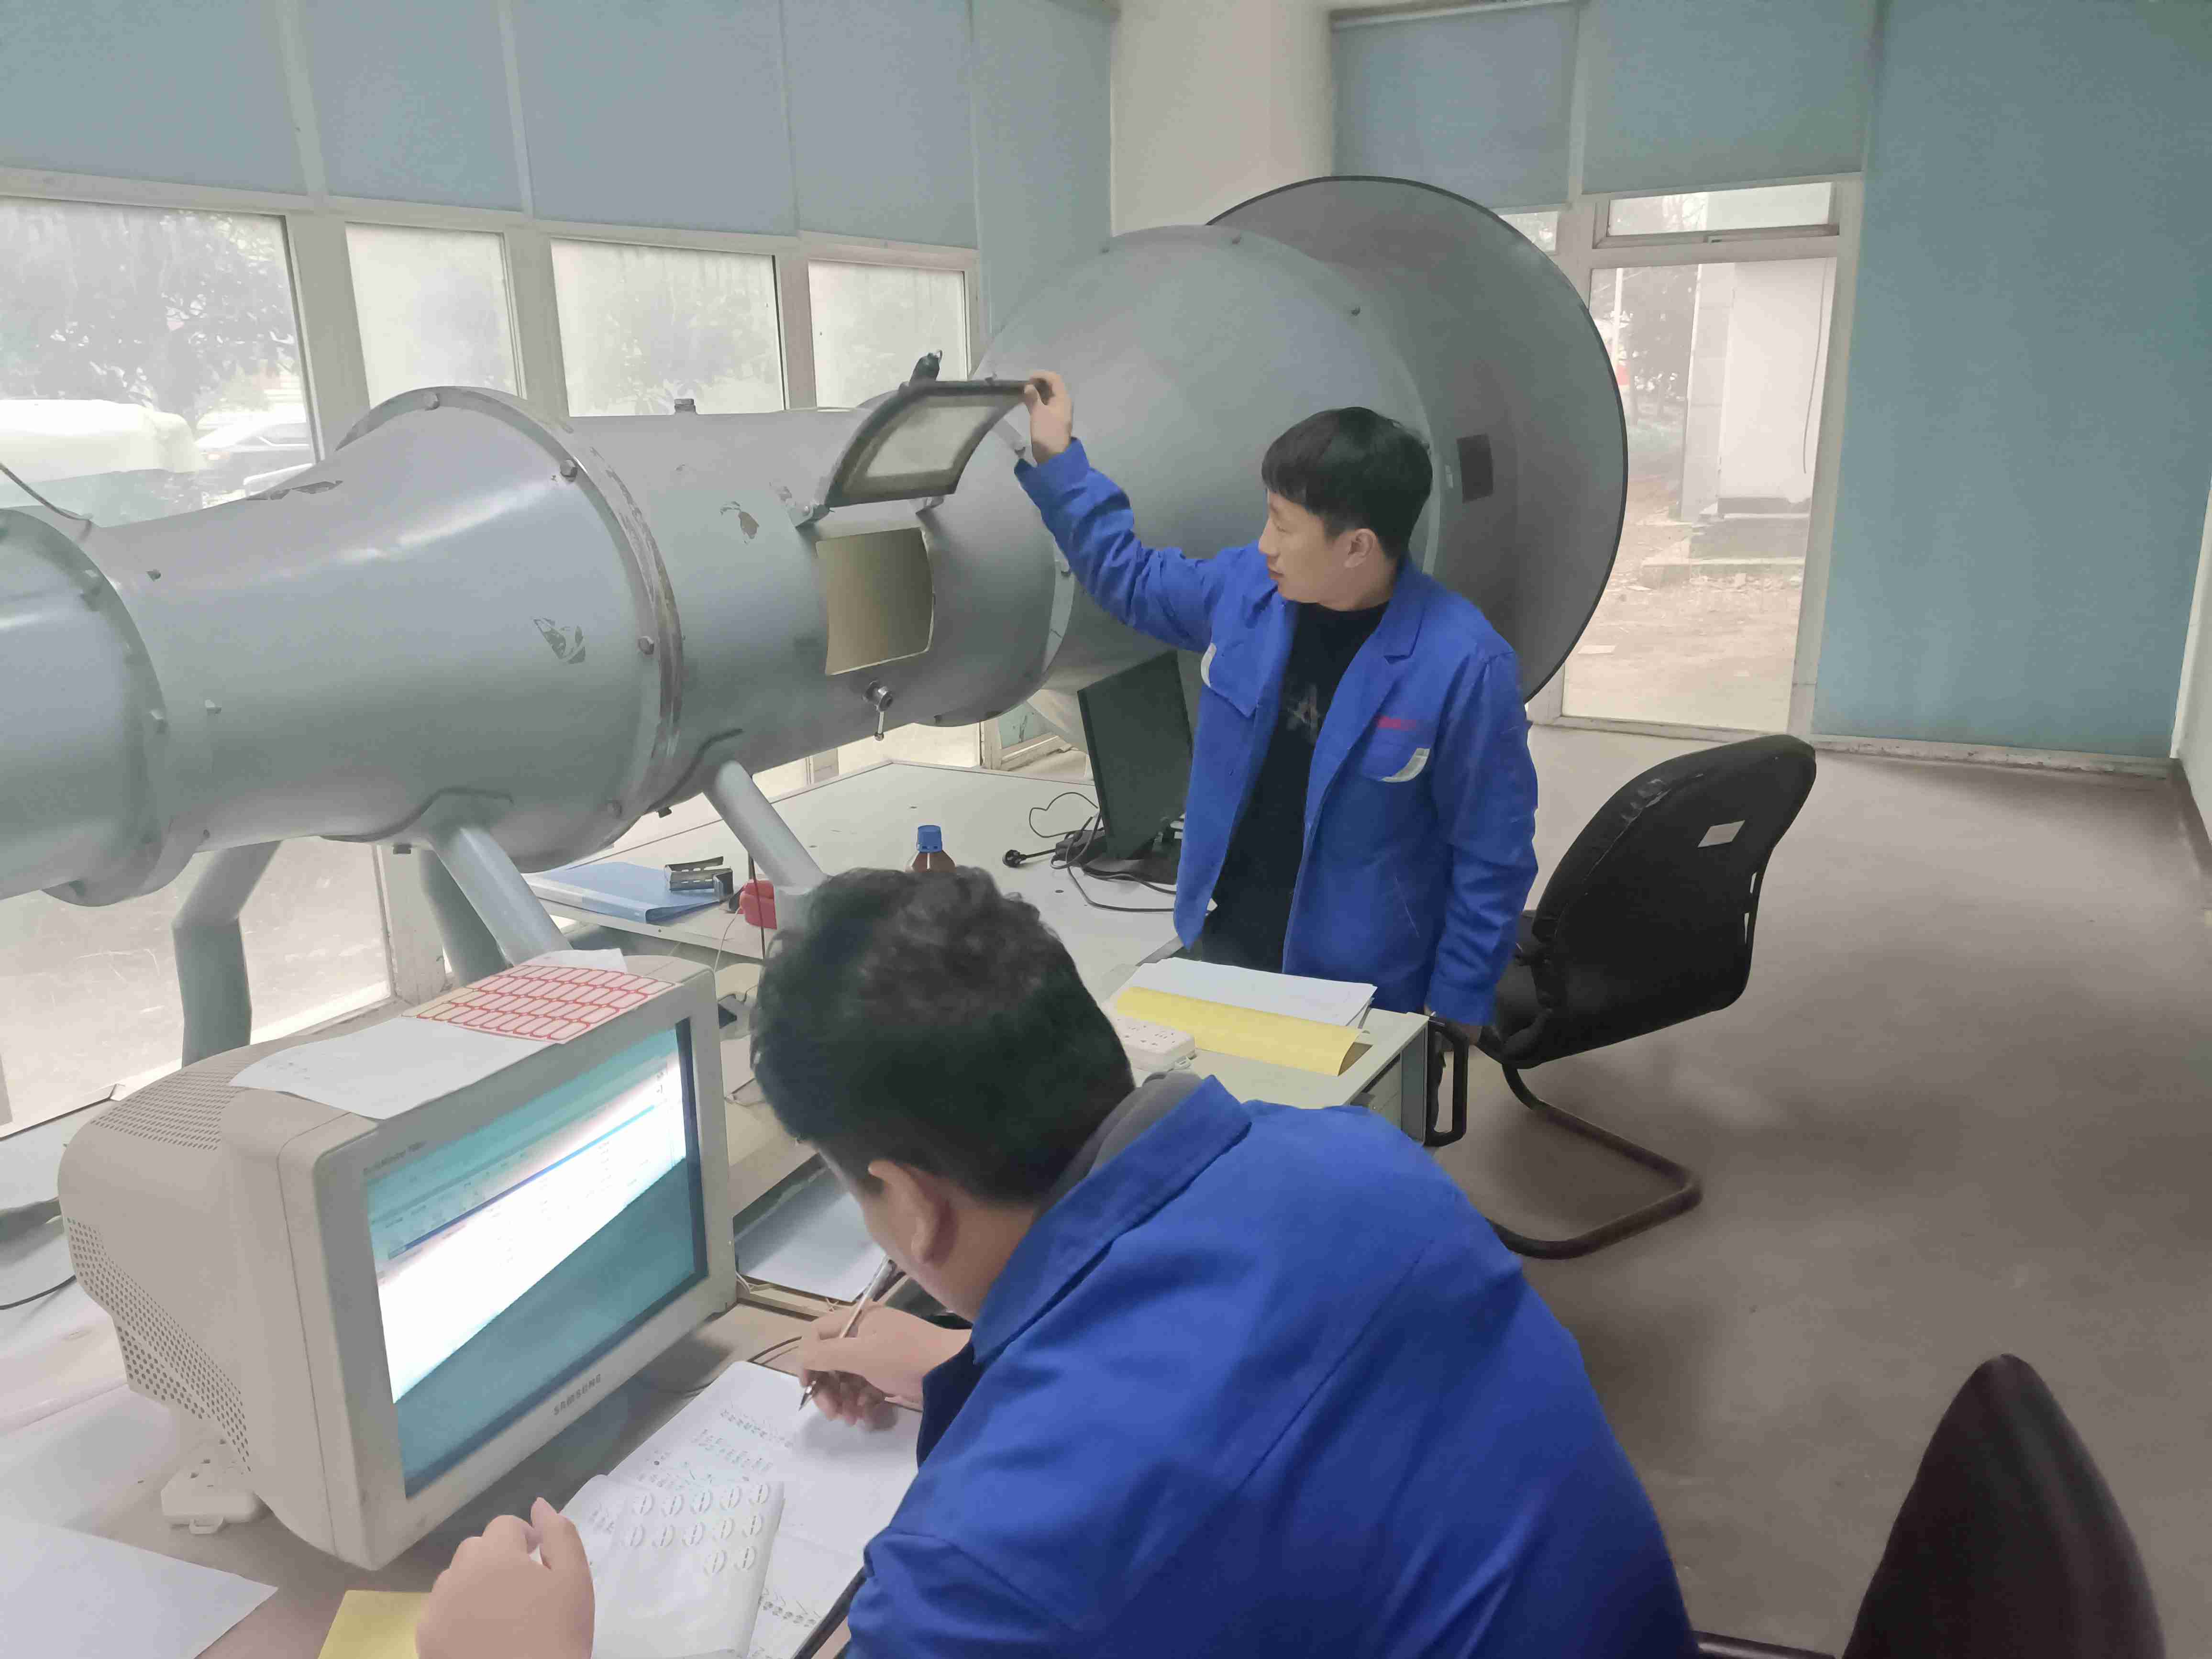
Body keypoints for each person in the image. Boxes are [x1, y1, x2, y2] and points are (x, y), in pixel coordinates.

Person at [418, 869, 1692, 1659]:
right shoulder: (1360, 1163)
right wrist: (977, 1364)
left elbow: (1122, 1491)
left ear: (909, 1207)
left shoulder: (983, 1572)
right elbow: (1238, 1401)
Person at [1019, 373, 1537, 1038]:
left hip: (1364, 987)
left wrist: (1457, 1005)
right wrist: (1059, 460)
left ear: (1357, 546)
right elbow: (1132, 577)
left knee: (1347, 1114)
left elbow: (1493, 854)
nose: (1265, 543)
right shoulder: (1247, 591)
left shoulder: (1464, 664)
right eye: (1269, 516)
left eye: (1285, 527)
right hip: (1226, 937)